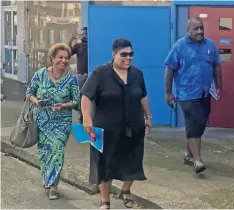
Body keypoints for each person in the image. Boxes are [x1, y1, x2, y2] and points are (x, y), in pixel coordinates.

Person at [80, 38, 152, 209]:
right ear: (114, 55)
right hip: (106, 129)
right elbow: (86, 96)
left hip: (133, 126)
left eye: (131, 54)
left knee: (133, 161)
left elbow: (143, 96)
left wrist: (148, 117)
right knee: (105, 164)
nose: (128, 58)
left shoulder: (137, 74)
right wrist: (86, 119)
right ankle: (105, 201)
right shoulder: (100, 73)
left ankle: (125, 191)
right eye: (124, 54)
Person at [164, 17, 222, 174]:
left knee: (198, 124)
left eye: (201, 28)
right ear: (188, 30)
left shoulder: (210, 45)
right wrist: (168, 92)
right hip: (186, 94)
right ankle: (197, 160)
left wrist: (218, 87)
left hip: (204, 93)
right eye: (196, 29)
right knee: (194, 125)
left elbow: (216, 67)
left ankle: (188, 154)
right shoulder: (179, 47)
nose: (200, 31)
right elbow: (169, 69)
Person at [26, 43, 80, 200]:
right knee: (44, 153)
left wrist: (63, 105)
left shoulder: (71, 78)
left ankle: (53, 186)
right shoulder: (40, 74)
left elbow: (76, 101)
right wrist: (37, 101)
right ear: (52, 58)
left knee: (57, 151)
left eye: (66, 58)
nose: (63, 61)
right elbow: (29, 93)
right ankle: (47, 180)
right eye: (60, 57)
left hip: (61, 122)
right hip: (42, 121)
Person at [68, 26, 88, 123]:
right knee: (80, 96)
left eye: (86, 34)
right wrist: (71, 39)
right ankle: (82, 116)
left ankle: (89, 115)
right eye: (83, 34)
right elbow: (67, 52)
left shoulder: (93, 45)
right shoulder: (78, 46)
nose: (84, 36)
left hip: (91, 74)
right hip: (81, 75)